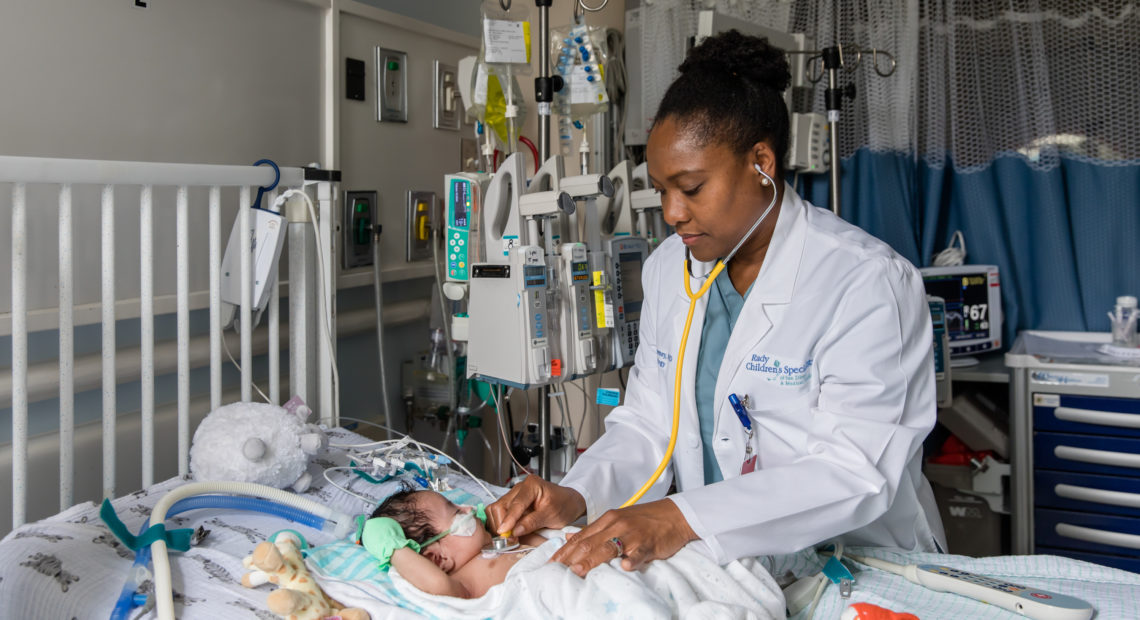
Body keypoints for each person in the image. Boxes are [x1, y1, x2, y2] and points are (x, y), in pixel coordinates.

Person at [488, 29, 946, 577]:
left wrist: (679, 518)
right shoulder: (668, 270)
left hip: (865, 566)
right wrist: (578, 494)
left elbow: (855, 470)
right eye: (661, 189)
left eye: (692, 187)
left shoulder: (867, 282)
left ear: (761, 162)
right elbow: (648, 425)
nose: (673, 212)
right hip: (734, 568)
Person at [361, 488, 546, 598]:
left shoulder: (494, 542)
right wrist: (393, 548)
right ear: (437, 558)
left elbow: (546, 547)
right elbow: (439, 584)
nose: (470, 509)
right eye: (458, 513)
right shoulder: (461, 583)